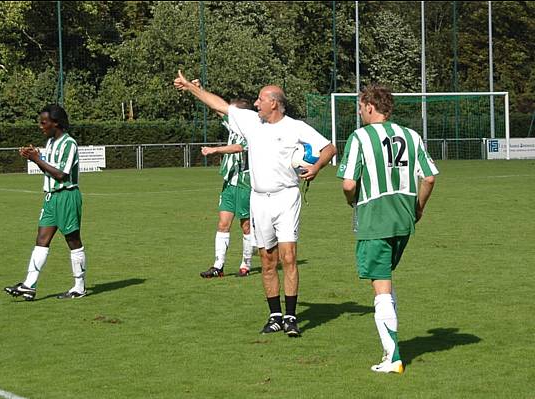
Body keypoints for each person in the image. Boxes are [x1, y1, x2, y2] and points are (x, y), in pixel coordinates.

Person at [175, 70, 337, 337]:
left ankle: (291, 317)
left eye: (260, 99)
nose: (255, 103)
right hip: (258, 198)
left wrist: (317, 166)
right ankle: (275, 316)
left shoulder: (294, 127)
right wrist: (190, 88)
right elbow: (218, 104)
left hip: (286, 197)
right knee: (267, 258)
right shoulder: (252, 123)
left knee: (289, 257)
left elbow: (329, 147)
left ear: (274, 102)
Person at [337, 85, 438, 373]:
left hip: (374, 217)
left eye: (359, 106)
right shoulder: (412, 135)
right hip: (404, 217)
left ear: (370, 106)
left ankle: (392, 357)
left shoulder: (360, 137)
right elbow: (428, 179)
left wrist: (351, 201)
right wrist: (418, 208)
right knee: (386, 280)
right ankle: (391, 349)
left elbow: (348, 184)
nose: (358, 111)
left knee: (380, 287)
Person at [4, 104, 87, 301]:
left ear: (55, 123)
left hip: (67, 195)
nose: (41, 126)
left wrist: (37, 159)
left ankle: (79, 287)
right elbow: (49, 169)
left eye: (44, 122)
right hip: (51, 197)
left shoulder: (69, 144)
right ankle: (29, 285)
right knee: (41, 239)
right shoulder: (50, 143)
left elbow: (60, 174)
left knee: (73, 240)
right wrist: (35, 158)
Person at [198, 94, 255, 278]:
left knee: (246, 226)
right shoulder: (233, 123)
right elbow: (217, 108)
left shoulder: (253, 128)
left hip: (245, 183)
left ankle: (245, 264)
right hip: (230, 181)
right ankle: (218, 266)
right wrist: (199, 91)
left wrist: (216, 149)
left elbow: (239, 147)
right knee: (223, 223)